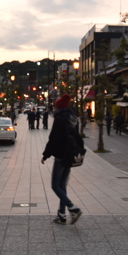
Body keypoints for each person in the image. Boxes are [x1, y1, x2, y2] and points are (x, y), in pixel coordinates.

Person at [41, 94, 85, 225]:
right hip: (70, 155)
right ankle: (61, 215)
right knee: (62, 185)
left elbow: (54, 139)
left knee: (55, 186)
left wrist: (46, 154)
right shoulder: (73, 118)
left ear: (58, 107)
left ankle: (73, 208)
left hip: (60, 156)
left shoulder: (59, 119)